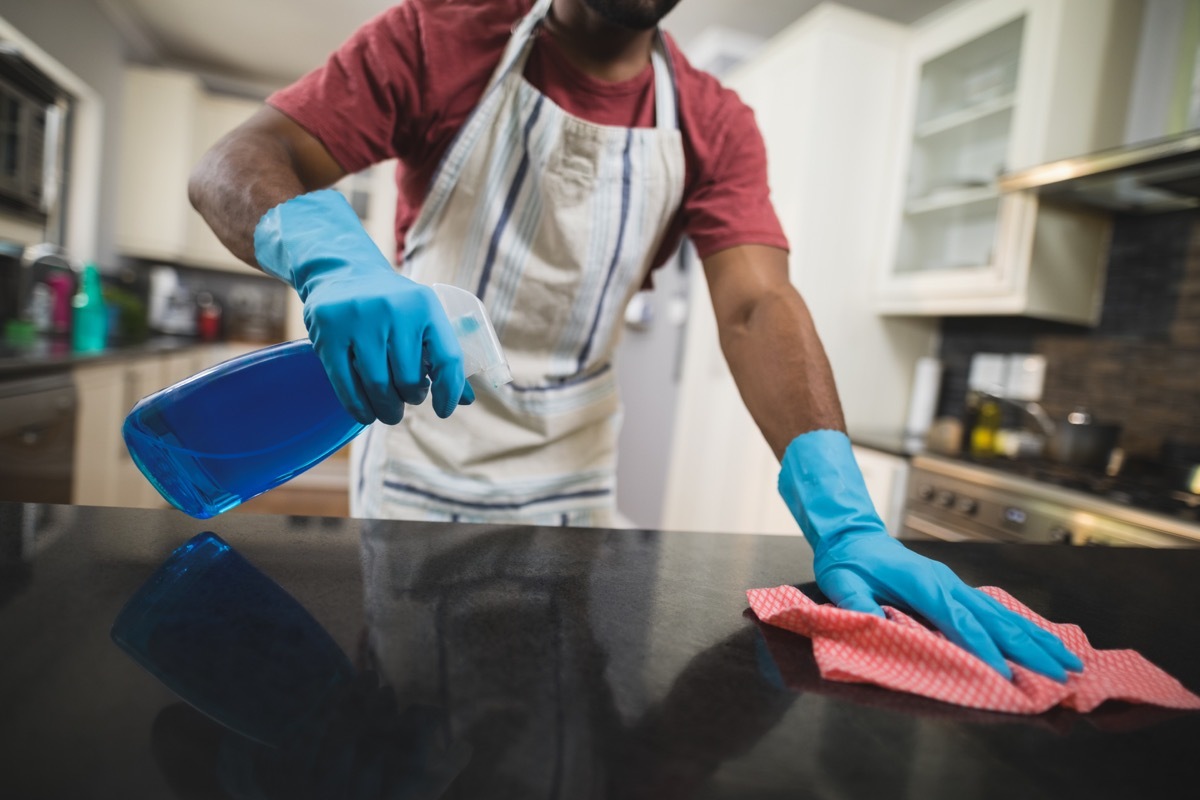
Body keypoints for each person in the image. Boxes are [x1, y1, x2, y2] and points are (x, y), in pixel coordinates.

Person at [188, 0, 1083, 684]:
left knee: (556, 703)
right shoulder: (439, 34)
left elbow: (755, 304)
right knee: (409, 690)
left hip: (571, 483)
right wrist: (333, 258)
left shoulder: (712, 121)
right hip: (422, 457)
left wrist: (842, 515)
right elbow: (236, 159)